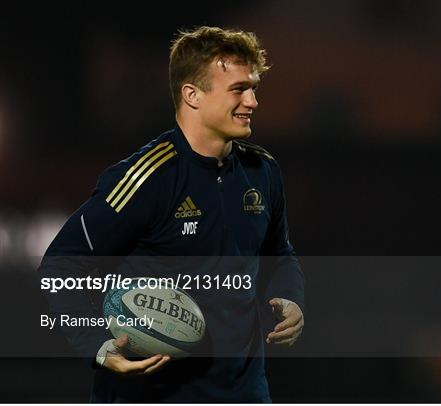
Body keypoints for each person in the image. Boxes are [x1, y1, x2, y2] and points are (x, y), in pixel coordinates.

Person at [39, 26, 304, 402]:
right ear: (192, 95)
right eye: (238, 89)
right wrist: (97, 344)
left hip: (242, 391)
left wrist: (290, 296)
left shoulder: (264, 171)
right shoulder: (147, 177)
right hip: (152, 393)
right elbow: (59, 265)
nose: (252, 101)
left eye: (254, 88)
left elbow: (281, 254)